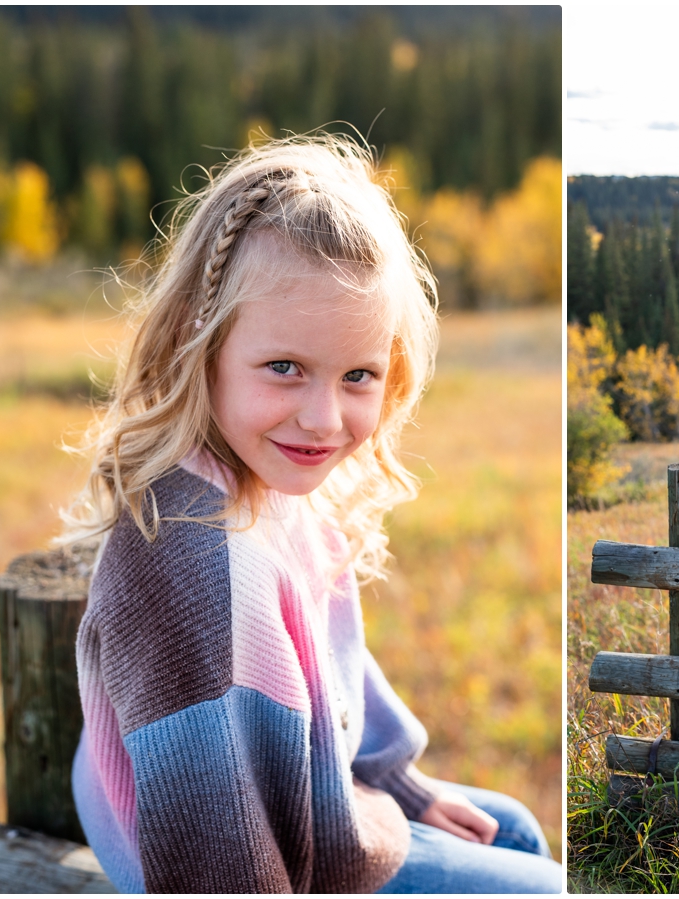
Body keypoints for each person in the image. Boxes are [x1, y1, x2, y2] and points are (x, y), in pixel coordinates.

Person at [62, 135, 561, 893]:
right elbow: (216, 858)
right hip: (250, 859)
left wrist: (404, 786)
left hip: (305, 806)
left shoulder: (269, 479)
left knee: (519, 827)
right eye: (285, 368)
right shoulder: (187, 559)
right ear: (201, 349)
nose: (324, 419)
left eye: (358, 375)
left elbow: (331, 667)